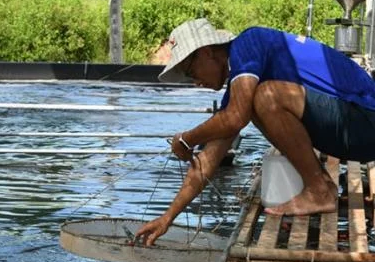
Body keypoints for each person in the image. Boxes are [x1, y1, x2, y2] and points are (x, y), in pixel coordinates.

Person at [135, 17, 375, 247]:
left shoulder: (248, 43)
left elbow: (234, 118)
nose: (195, 82)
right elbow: (207, 161)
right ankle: (318, 185)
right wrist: (167, 218)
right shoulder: (241, 85)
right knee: (253, 101)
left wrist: (187, 139)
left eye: (190, 71)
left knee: (266, 96)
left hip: (364, 120)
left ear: (207, 52)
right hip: (351, 130)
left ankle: (319, 190)